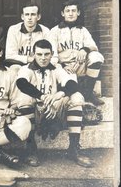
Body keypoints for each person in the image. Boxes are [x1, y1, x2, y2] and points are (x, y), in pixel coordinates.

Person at [16, 39, 93, 168]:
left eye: (46, 54)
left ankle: (74, 149)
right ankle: (31, 149)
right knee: (24, 98)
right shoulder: (26, 69)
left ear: (52, 54)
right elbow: (22, 84)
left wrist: (60, 95)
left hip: (55, 110)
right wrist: (42, 97)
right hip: (37, 112)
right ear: (33, 54)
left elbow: (72, 84)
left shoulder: (56, 68)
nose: (43, 58)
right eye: (39, 54)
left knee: (76, 97)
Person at [49, 0, 104, 106]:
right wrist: (62, 65)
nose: (70, 13)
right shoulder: (55, 31)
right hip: (64, 67)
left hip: (80, 64)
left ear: (78, 13)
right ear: (62, 13)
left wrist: (85, 49)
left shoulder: (82, 30)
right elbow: (52, 54)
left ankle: (88, 93)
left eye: (73, 11)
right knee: (72, 91)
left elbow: (94, 46)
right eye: (67, 11)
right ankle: (77, 98)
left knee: (96, 57)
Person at [5, 2, 55, 67]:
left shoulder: (45, 31)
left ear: (38, 17)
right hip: (19, 65)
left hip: (39, 66)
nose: (29, 18)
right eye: (27, 14)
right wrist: (28, 59)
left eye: (33, 14)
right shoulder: (13, 30)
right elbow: (9, 55)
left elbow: (54, 56)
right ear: (22, 16)